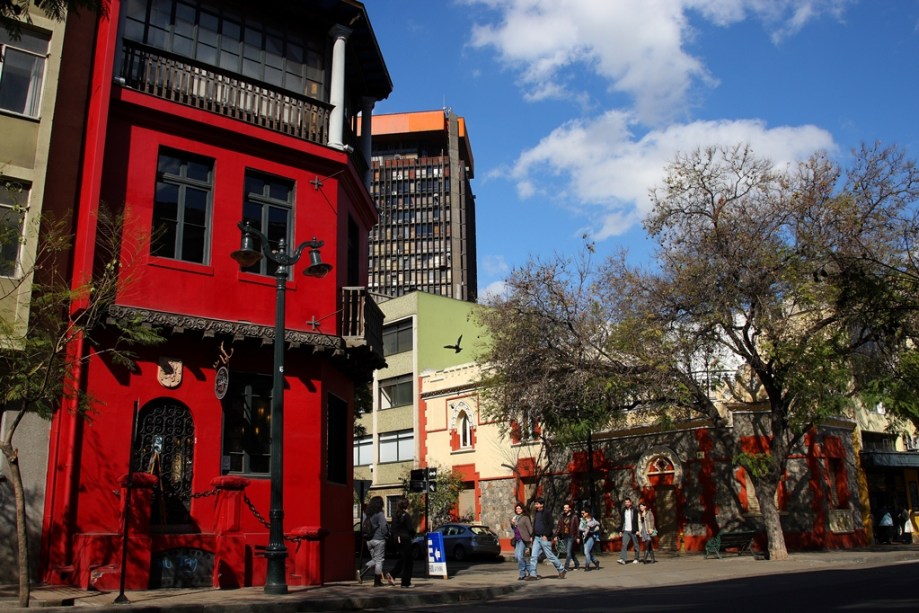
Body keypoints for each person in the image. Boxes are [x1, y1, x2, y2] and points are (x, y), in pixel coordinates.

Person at [527, 497, 567, 580]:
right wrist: (532, 536)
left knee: (550, 556)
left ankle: (561, 569)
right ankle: (533, 574)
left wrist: (546, 535)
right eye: (535, 504)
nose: (536, 505)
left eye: (537, 504)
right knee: (533, 556)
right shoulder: (536, 513)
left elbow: (550, 525)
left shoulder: (547, 513)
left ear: (542, 504)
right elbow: (535, 526)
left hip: (544, 538)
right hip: (537, 538)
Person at [358, 496, 388, 586]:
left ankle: (363, 571)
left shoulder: (366, 513)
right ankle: (377, 581)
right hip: (379, 539)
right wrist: (386, 535)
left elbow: (363, 525)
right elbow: (384, 527)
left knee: (375, 559)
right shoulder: (380, 513)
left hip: (369, 540)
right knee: (379, 560)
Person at [387, 499, 416, 588]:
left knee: (403, 558)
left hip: (396, 539)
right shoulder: (406, 516)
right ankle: (405, 582)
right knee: (409, 561)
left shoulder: (395, 516)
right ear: (406, 506)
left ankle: (392, 573)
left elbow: (392, 529)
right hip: (405, 539)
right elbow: (410, 528)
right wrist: (414, 535)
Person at [555, 502, 581, 571]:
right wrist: (556, 535)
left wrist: (578, 536)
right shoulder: (562, 516)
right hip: (565, 536)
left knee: (568, 552)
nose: (565, 509)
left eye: (566, 508)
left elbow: (578, 527)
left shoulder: (574, 516)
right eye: (564, 508)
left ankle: (566, 567)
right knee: (571, 551)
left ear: (569, 508)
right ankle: (577, 564)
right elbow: (559, 526)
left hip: (571, 536)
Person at [511, 502, 533, 580]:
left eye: (519, 508)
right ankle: (530, 570)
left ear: (522, 509)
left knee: (520, 557)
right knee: (517, 557)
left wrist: (531, 536)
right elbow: (514, 528)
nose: (518, 510)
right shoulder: (515, 517)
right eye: (517, 509)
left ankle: (522, 574)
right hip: (517, 539)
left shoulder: (525, 517)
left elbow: (529, 527)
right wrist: (512, 524)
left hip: (523, 539)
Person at [617, 497, 640, 564]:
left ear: (630, 503)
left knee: (636, 544)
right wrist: (621, 530)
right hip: (626, 530)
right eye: (625, 502)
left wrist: (637, 530)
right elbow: (622, 521)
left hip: (633, 530)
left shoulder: (634, 510)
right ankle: (623, 559)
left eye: (628, 502)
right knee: (624, 544)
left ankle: (636, 558)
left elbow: (636, 521)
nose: (627, 504)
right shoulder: (624, 510)